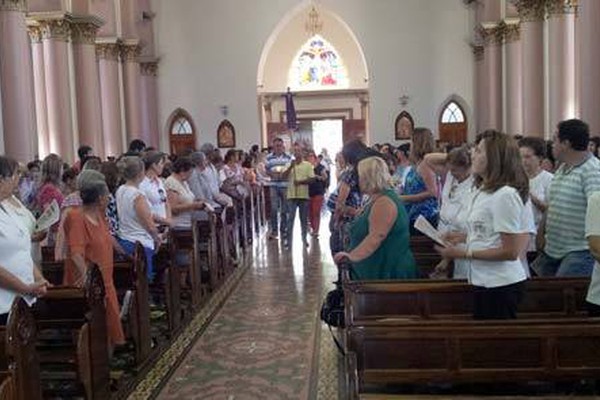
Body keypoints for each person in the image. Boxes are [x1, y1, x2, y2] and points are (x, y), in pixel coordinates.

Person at [436, 131, 531, 319]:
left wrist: (465, 253)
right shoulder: (483, 191)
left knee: (497, 343)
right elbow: (488, 233)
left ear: (494, 159)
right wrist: (463, 237)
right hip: (482, 279)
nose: (472, 154)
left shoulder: (505, 195)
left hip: (501, 283)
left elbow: (511, 252)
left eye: (479, 151)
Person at [62, 171, 125, 353]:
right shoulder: (76, 217)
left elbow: (108, 238)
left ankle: (105, 366)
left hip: (105, 280)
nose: (109, 198)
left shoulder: (100, 215)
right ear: (99, 198)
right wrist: (88, 280)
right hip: (89, 283)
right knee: (94, 329)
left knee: (110, 323)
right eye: (106, 195)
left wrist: (126, 253)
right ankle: (96, 368)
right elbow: (76, 253)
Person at [533, 119, 600, 277]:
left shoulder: (592, 171)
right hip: (554, 248)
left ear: (566, 143)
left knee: (559, 297)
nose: (552, 145)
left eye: (555, 140)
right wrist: (541, 233)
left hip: (579, 251)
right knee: (539, 293)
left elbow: (597, 214)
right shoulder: (563, 168)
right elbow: (553, 204)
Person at [334, 156, 417, 280]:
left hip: (386, 271)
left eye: (360, 176)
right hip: (374, 267)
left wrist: (352, 257)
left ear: (368, 178)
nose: (358, 180)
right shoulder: (376, 198)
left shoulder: (384, 202)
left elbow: (376, 236)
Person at [0, 156, 49, 324]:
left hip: (23, 299)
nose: (17, 181)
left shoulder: (8, 206)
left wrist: (38, 278)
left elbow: (22, 250)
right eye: (14, 176)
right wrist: (24, 288)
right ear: (1, 179)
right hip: (3, 302)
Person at [425, 146, 474, 279]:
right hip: (445, 234)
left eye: (456, 170)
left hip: (463, 236)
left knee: (463, 276)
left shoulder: (475, 182)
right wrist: (451, 156)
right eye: (450, 168)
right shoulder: (449, 176)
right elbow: (428, 158)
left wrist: (469, 156)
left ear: (468, 167)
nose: (453, 173)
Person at [116, 156, 162, 280]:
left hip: (125, 239)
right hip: (140, 242)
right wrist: (157, 238)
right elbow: (148, 223)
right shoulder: (138, 195)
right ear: (141, 173)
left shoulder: (120, 190)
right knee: (143, 283)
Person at [518, 137, 553, 261]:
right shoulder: (514, 179)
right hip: (518, 238)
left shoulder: (548, 179)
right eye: (520, 157)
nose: (523, 161)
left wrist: (532, 197)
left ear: (540, 158)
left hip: (538, 239)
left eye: (528, 157)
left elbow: (551, 211)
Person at [400, 128, 439, 230]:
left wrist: (405, 198)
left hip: (424, 216)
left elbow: (432, 192)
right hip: (413, 213)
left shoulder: (425, 165)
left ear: (418, 143)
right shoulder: (417, 163)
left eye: (412, 141)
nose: (410, 145)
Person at [284, 144, 315, 248]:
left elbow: (312, 179)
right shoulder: (289, 163)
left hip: (303, 196)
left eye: (299, 151)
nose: (297, 153)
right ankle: (288, 241)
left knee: (303, 219)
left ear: (302, 153)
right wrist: (290, 167)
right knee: (290, 219)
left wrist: (301, 182)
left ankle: (304, 239)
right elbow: (283, 176)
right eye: (295, 151)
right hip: (291, 196)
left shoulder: (307, 165)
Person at [165, 157, 207, 229]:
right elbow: (173, 208)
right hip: (179, 224)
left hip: (189, 222)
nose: (190, 176)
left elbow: (188, 199)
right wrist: (193, 205)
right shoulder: (171, 183)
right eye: (189, 173)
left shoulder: (184, 182)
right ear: (182, 171)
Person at [265, 138, 293, 240]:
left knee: (285, 209)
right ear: (273, 147)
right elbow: (266, 170)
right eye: (276, 146)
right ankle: (274, 231)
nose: (278, 148)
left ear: (283, 146)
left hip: (285, 185)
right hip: (273, 185)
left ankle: (283, 229)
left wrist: (284, 174)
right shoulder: (269, 158)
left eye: (280, 146)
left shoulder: (289, 157)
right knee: (273, 208)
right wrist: (272, 174)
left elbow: (291, 169)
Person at [139, 151, 172, 227]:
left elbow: (165, 202)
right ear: (154, 165)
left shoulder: (159, 181)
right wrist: (166, 221)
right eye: (161, 164)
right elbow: (146, 211)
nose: (163, 166)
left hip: (164, 225)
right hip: (152, 226)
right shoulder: (142, 184)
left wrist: (168, 220)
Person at [308, 150, 328, 238]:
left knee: (316, 212)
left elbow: (325, 177)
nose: (310, 158)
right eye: (308, 156)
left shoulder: (321, 167)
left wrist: (317, 177)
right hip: (308, 192)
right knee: (310, 212)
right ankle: (312, 227)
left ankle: (316, 230)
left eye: (312, 156)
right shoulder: (307, 167)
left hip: (318, 191)